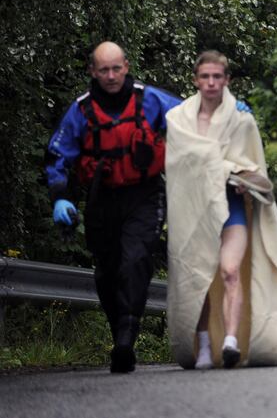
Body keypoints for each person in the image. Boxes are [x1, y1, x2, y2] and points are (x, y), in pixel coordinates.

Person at [165, 50, 277, 369]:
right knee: (200, 278)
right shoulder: (179, 120)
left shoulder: (242, 119)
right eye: (205, 76)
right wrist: (220, 167)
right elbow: (180, 167)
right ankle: (204, 344)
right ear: (195, 80)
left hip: (232, 205)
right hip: (196, 210)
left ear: (227, 80)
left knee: (230, 270)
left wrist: (243, 177)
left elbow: (254, 165)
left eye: (217, 76)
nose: (211, 83)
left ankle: (232, 340)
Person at [46, 41, 182, 373]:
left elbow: (191, 117)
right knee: (107, 271)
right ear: (92, 71)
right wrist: (60, 196)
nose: (110, 76)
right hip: (102, 197)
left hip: (144, 194)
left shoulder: (149, 100)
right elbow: (57, 156)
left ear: (126, 66)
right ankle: (118, 329)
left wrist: (227, 109)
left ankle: (126, 339)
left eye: (116, 68)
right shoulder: (80, 110)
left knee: (135, 259)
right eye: (103, 70)